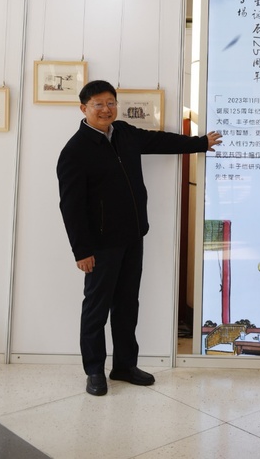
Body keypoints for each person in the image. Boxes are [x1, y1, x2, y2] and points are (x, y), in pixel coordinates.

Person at [57, 79, 222, 396]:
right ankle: (94, 371)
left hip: (133, 236)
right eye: (98, 104)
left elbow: (159, 141)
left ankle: (124, 365)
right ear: (83, 108)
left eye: (110, 103)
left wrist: (200, 143)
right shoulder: (75, 151)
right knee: (96, 310)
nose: (106, 109)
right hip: (100, 246)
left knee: (127, 306)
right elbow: (71, 207)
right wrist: (82, 251)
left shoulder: (124, 133)